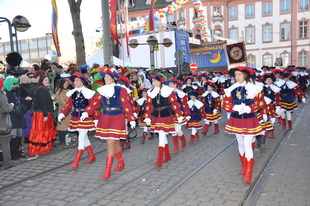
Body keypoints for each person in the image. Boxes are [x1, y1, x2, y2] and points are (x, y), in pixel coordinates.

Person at [82, 69, 136, 179]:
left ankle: (108, 169)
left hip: (117, 116)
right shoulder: (102, 90)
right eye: (104, 77)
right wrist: (87, 112)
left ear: (113, 78)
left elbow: (126, 104)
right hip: (105, 116)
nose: (105, 79)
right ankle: (121, 162)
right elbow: (95, 103)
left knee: (110, 141)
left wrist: (131, 118)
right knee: (114, 141)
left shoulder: (120, 89)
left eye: (107, 77)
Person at [222, 67, 265, 184]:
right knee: (240, 144)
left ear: (245, 75)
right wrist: (233, 107)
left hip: (249, 119)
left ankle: (249, 172)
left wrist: (249, 108)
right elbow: (225, 104)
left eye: (240, 74)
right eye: (236, 75)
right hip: (236, 119)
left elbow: (260, 103)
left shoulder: (254, 88)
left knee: (247, 144)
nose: (237, 77)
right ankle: (244, 166)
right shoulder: (231, 88)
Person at [143, 73, 183, 167]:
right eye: (152, 81)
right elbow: (148, 105)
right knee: (162, 135)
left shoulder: (168, 90)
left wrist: (179, 115)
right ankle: (167, 155)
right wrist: (148, 116)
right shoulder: (151, 92)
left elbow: (174, 103)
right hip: (157, 115)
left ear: (160, 81)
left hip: (166, 114)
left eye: (155, 81)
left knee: (161, 135)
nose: (153, 83)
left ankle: (160, 159)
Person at [58, 73, 96, 168]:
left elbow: (93, 106)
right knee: (84, 137)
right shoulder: (72, 93)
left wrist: (96, 118)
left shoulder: (88, 92)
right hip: (76, 116)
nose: (75, 82)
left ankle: (76, 161)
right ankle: (92, 156)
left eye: (77, 80)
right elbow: (68, 105)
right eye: (74, 81)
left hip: (85, 117)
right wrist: (62, 113)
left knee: (81, 138)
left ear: (82, 82)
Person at [28, 76, 57, 159]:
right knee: (40, 131)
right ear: (41, 81)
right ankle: (38, 149)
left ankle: (44, 147)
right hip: (41, 114)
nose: (48, 81)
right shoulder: (41, 89)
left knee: (44, 131)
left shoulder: (44, 89)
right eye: (46, 80)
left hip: (44, 113)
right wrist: (45, 115)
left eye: (48, 80)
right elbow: (42, 103)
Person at [4, 77, 27, 160]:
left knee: (18, 135)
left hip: (19, 117)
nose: (16, 85)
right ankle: (13, 154)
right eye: (14, 84)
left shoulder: (15, 93)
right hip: (12, 117)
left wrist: (22, 108)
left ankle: (17, 152)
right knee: (13, 136)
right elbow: (8, 106)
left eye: (16, 84)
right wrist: (15, 109)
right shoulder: (6, 94)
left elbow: (18, 102)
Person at [167, 78, 190, 152]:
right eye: (169, 84)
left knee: (178, 131)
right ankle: (176, 147)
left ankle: (183, 141)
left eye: (171, 84)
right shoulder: (166, 93)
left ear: (175, 85)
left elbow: (185, 105)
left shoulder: (180, 94)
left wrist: (187, 114)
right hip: (170, 114)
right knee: (173, 131)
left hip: (179, 114)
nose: (169, 86)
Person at [0, 79, 14, 169]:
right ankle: (7, 163)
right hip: (2, 122)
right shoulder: (2, 96)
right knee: (5, 143)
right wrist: (11, 105)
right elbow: (6, 108)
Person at [19, 74, 35, 150]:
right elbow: (18, 97)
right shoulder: (19, 87)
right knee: (26, 123)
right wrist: (25, 98)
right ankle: (26, 138)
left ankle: (30, 137)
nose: (24, 79)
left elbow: (34, 95)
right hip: (24, 107)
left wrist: (31, 98)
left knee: (31, 123)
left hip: (31, 107)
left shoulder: (31, 86)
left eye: (25, 77)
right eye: (22, 78)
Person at [55, 78, 71, 147]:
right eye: (65, 84)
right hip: (63, 111)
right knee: (62, 126)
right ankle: (62, 141)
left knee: (67, 126)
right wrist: (69, 106)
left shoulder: (68, 91)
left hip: (69, 111)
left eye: (67, 84)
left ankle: (67, 140)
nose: (66, 85)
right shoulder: (59, 91)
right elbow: (61, 102)